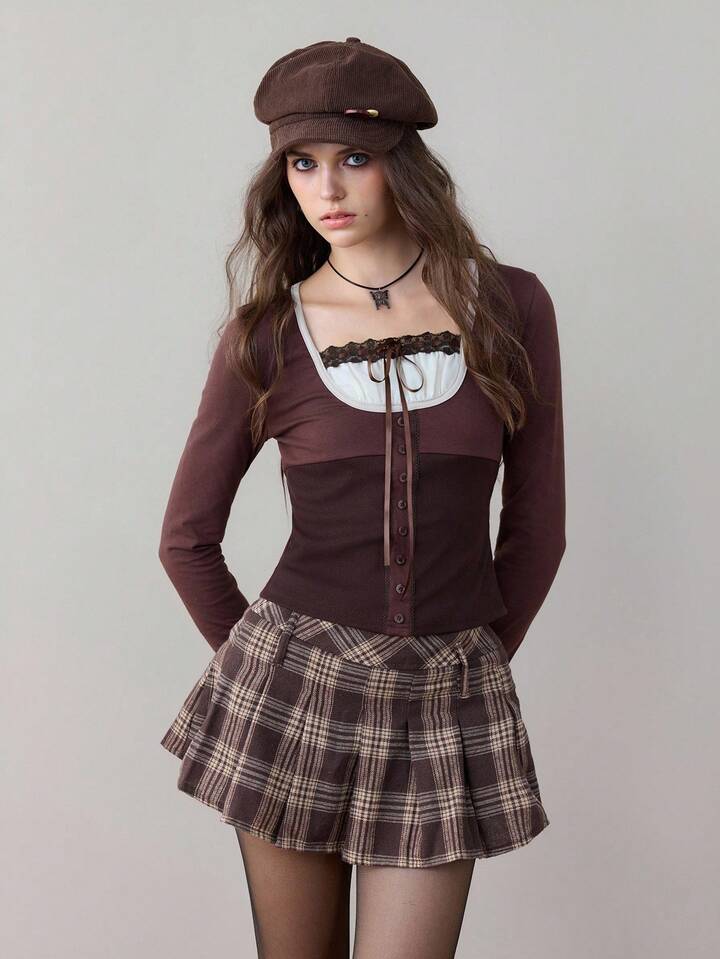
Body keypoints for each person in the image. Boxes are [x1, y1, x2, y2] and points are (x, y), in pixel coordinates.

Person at [158, 36, 566, 959]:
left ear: (403, 164)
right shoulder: (266, 333)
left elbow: (538, 529)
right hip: (291, 690)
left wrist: (466, 660)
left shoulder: (512, 307)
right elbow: (185, 538)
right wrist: (270, 671)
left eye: (353, 157)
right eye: (302, 163)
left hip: (447, 691)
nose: (327, 188)